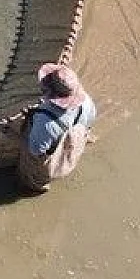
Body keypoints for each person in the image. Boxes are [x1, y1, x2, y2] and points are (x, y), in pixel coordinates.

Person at [16, 62, 96, 193]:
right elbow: (89, 123)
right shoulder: (87, 102)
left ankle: (36, 188)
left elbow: (35, 151)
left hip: (49, 162)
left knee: (31, 179)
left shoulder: (45, 123)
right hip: (74, 148)